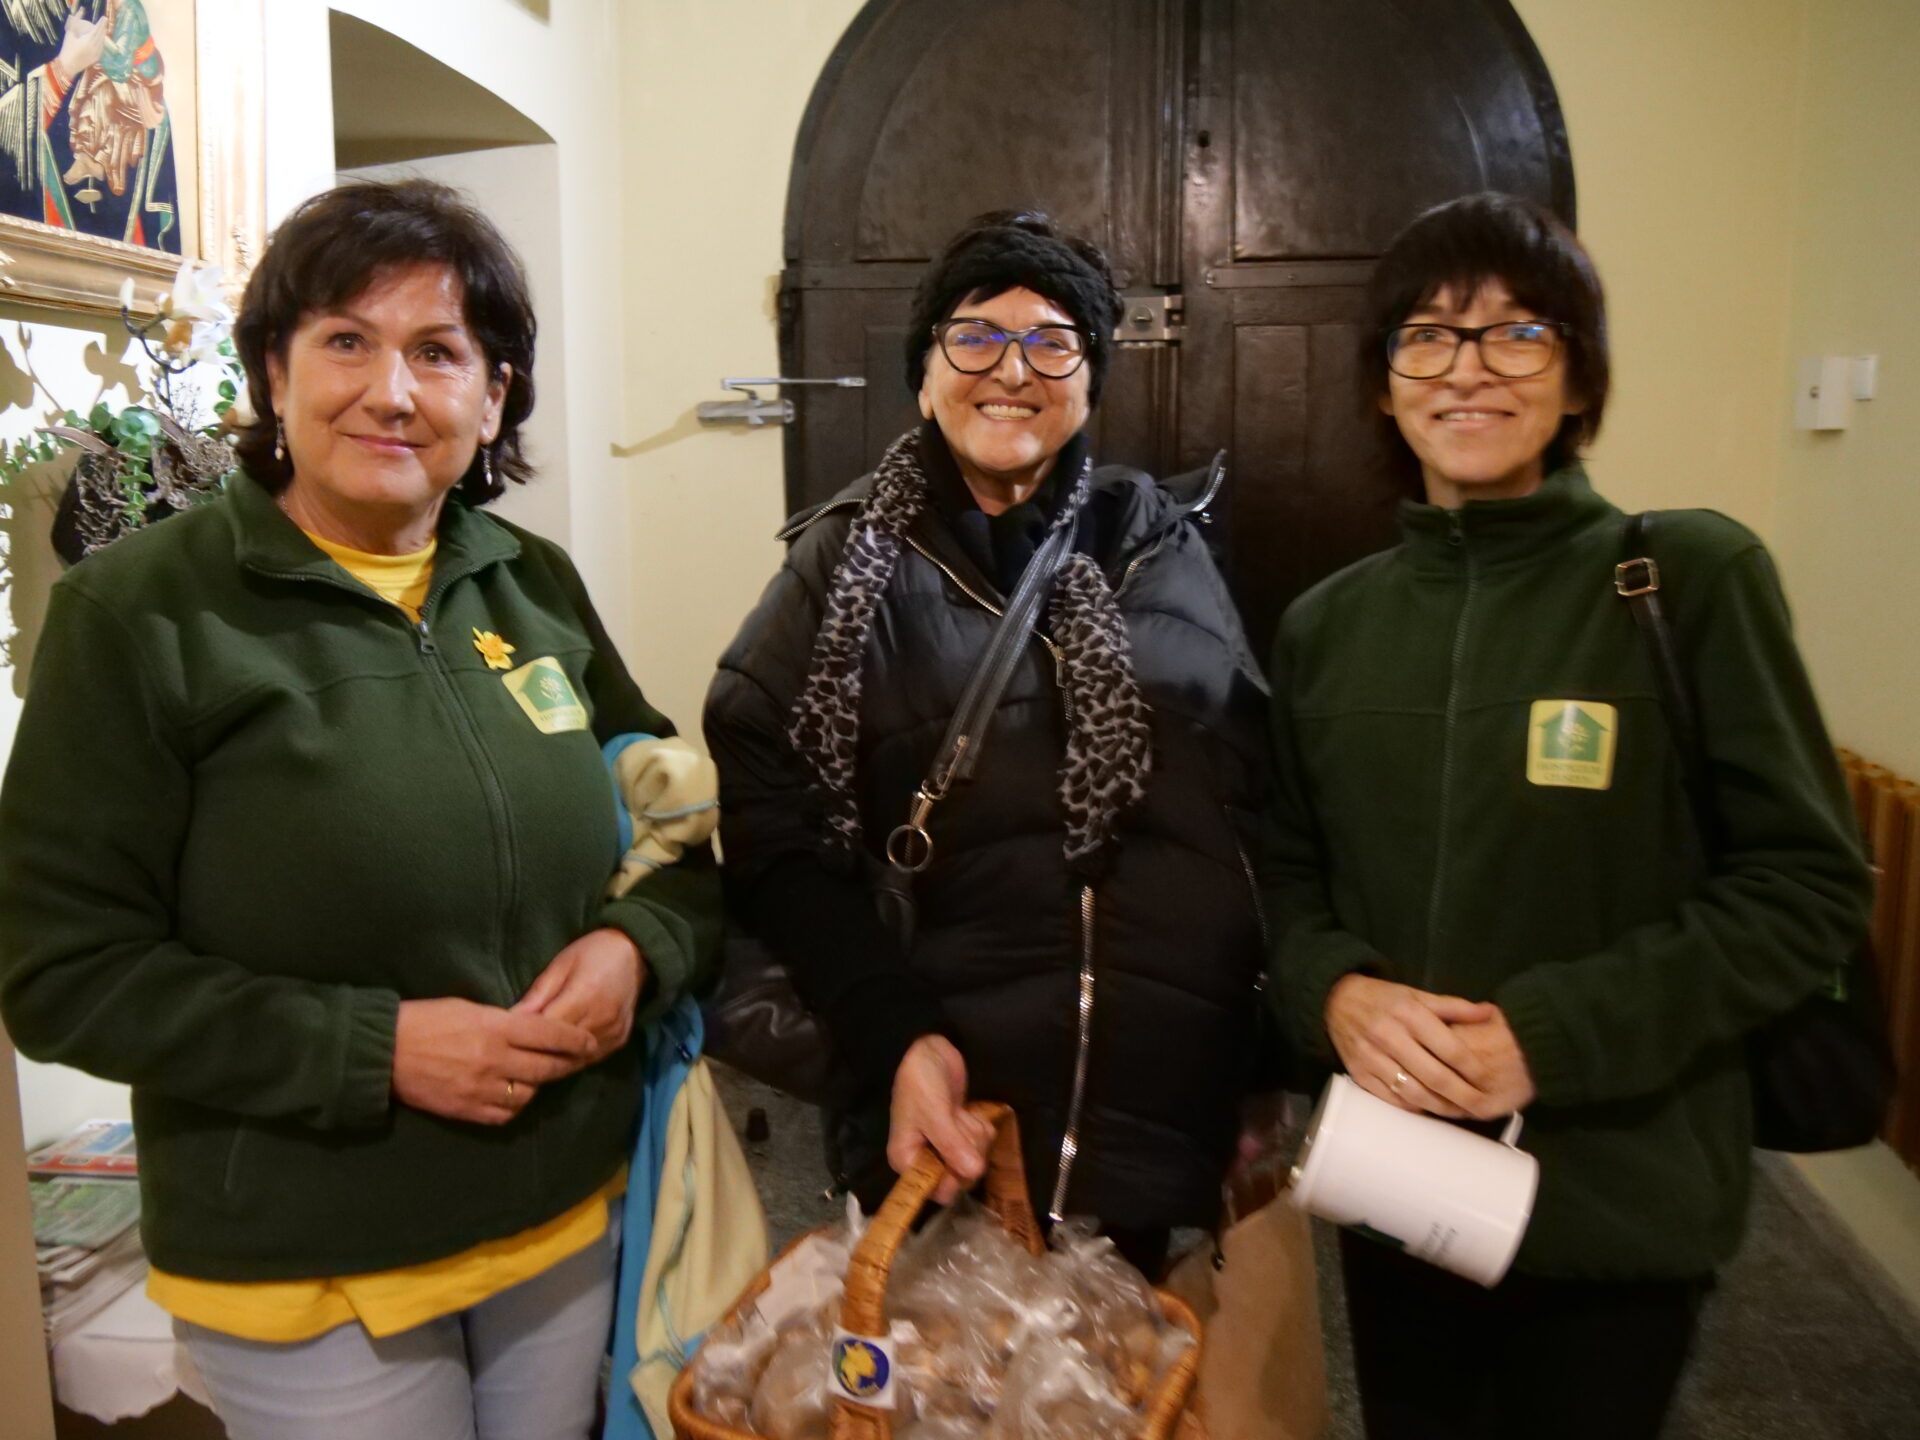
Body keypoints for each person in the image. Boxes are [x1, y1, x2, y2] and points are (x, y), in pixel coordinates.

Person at [0, 179, 719, 1440]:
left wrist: (634, 949)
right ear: (275, 373)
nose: (391, 391)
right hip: (312, 1257)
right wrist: (375, 1050)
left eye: (438, 352)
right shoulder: (143, 614)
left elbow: (678, 840)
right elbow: (59, 970)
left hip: (562, 1213)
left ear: (492, 398)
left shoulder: (533, 585)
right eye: (346, 340)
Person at [1263, 192, 1872, 1439]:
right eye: (1428, 337)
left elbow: (1805, 887)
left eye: (1518, 332)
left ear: (1580, 375)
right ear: (1383, 385)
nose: (1468, 369)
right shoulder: (1328, 627)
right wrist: (1334, 991)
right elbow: (1280, 878)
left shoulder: (1688, 578)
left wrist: (1549, 1036)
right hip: (1401, 1187)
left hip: (1615, 1199)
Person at [704, 211, 1271, 1276]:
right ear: (925, 378)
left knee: (1122, 1365)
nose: (1012, 369)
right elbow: (775, 836)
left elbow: (1244, 805)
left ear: (1091, 380)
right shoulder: (844, 566)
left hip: (1147, 1116)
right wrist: (896, 1034)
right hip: (945, 1104)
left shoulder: (1159, 547)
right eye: (975, 336)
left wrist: (1254, 1058)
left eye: (1053, 341)